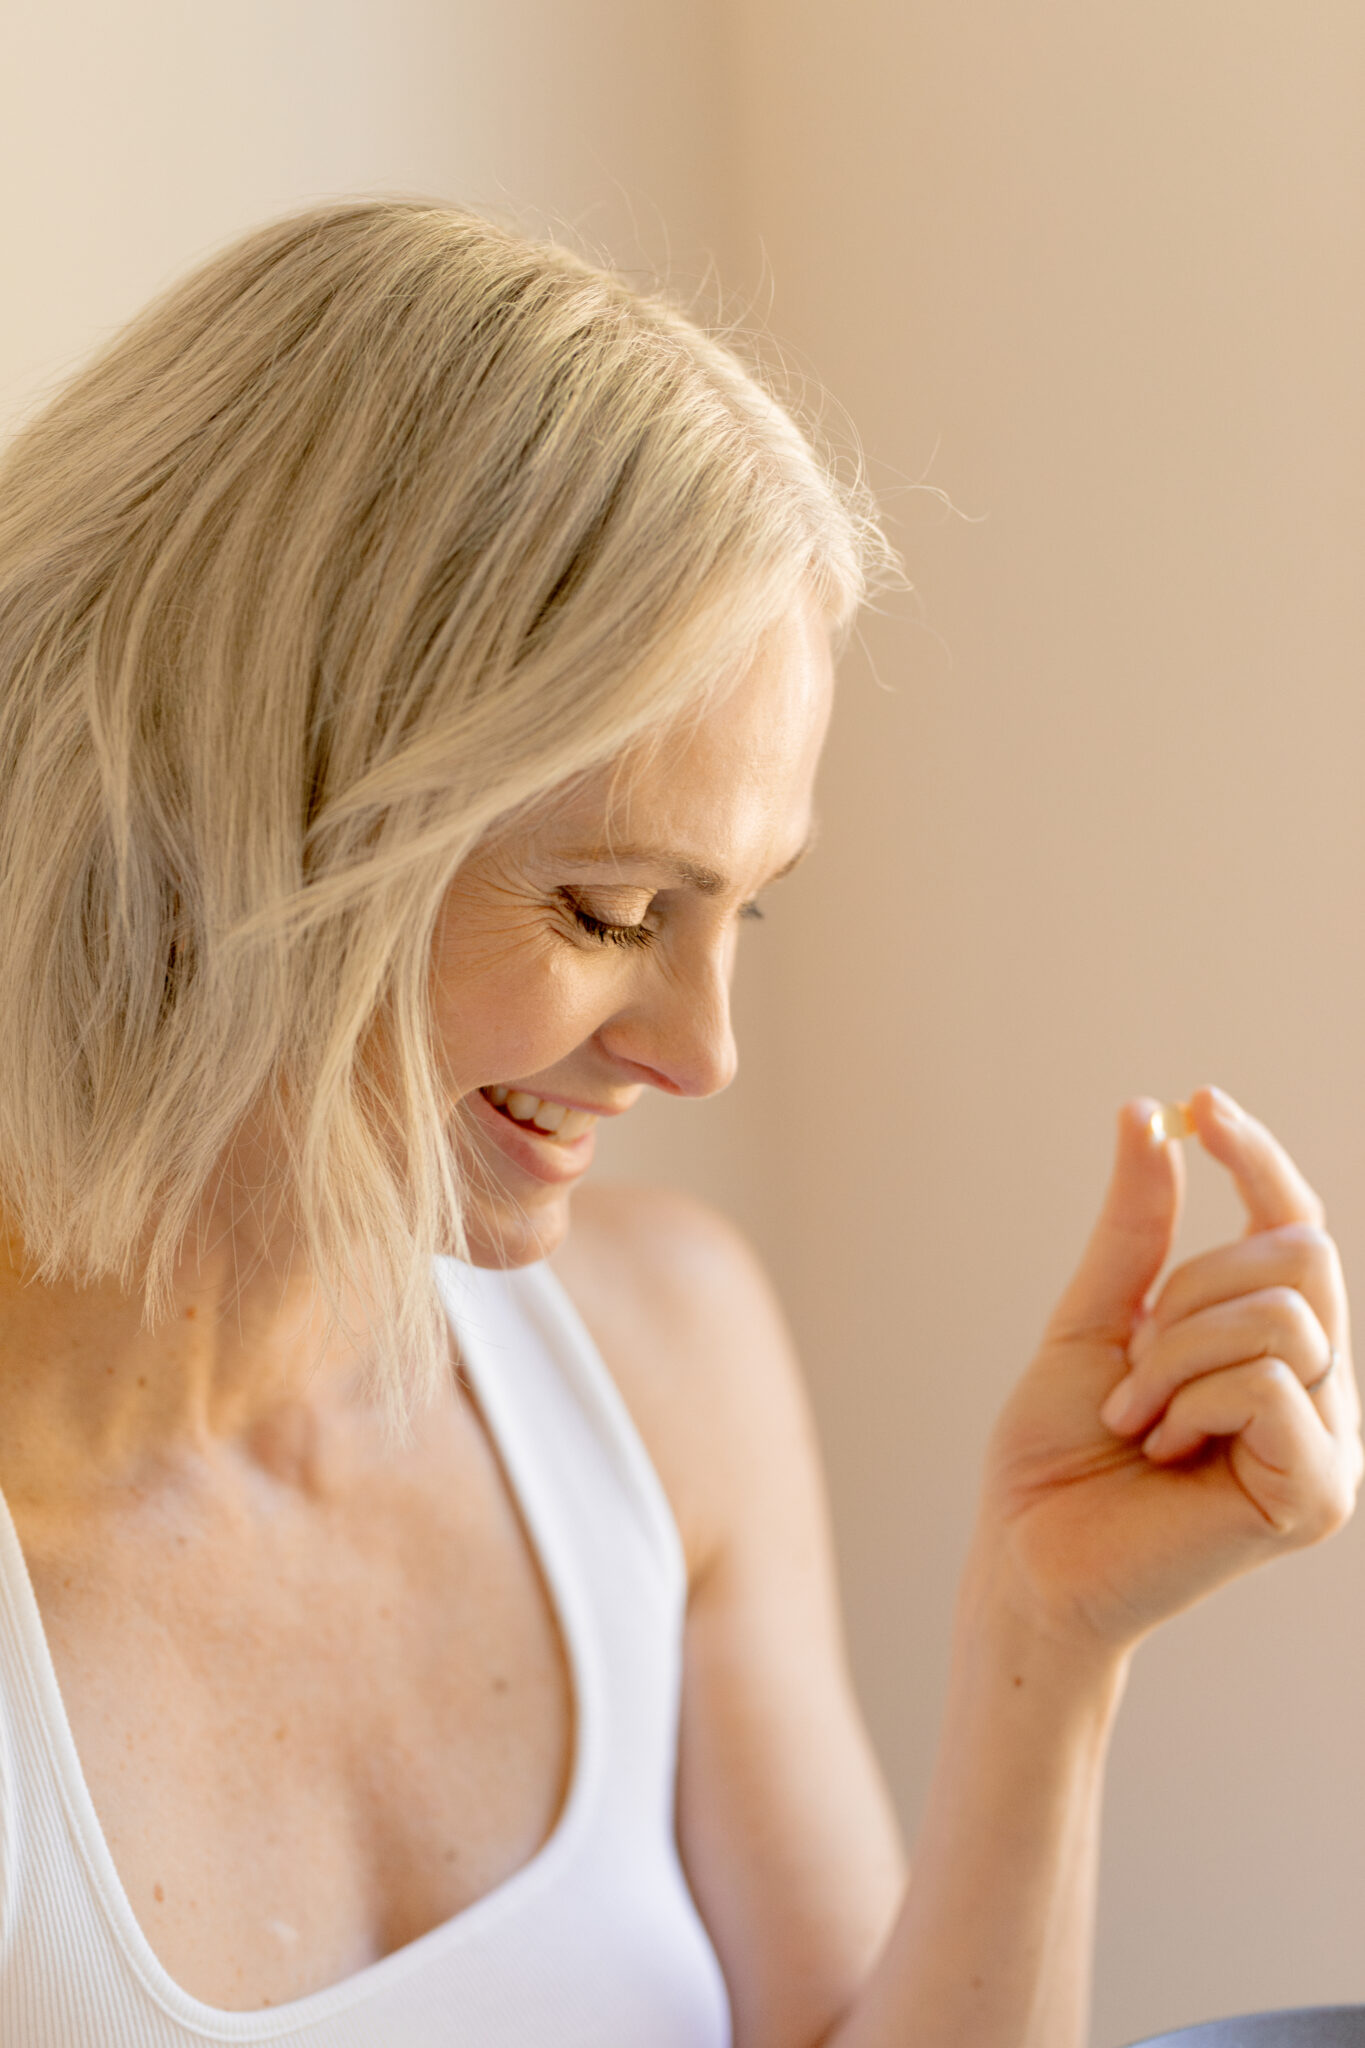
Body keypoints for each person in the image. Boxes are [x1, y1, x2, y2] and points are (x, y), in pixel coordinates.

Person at [0, 199, 1355, 2048]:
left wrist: (1049, 1638)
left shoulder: (663, 1359)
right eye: (607, 912)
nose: (702, 1051)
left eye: (742, 909)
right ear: (246, 812)